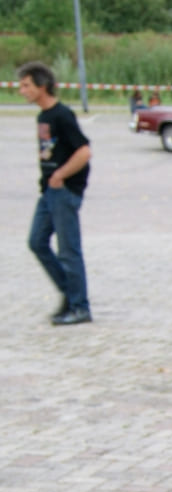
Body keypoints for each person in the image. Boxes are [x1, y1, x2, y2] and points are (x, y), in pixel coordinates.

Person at [19, 61, 91, 325]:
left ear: (42, 86)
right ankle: (69, 294)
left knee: (68, 250)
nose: (22, 90)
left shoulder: (62, 115)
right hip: (48, 191)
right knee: (36, 242)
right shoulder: (43, 116)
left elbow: (84, 151)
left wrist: (61, 175)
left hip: (64, 191)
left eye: (26, 85)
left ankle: (80, 307)